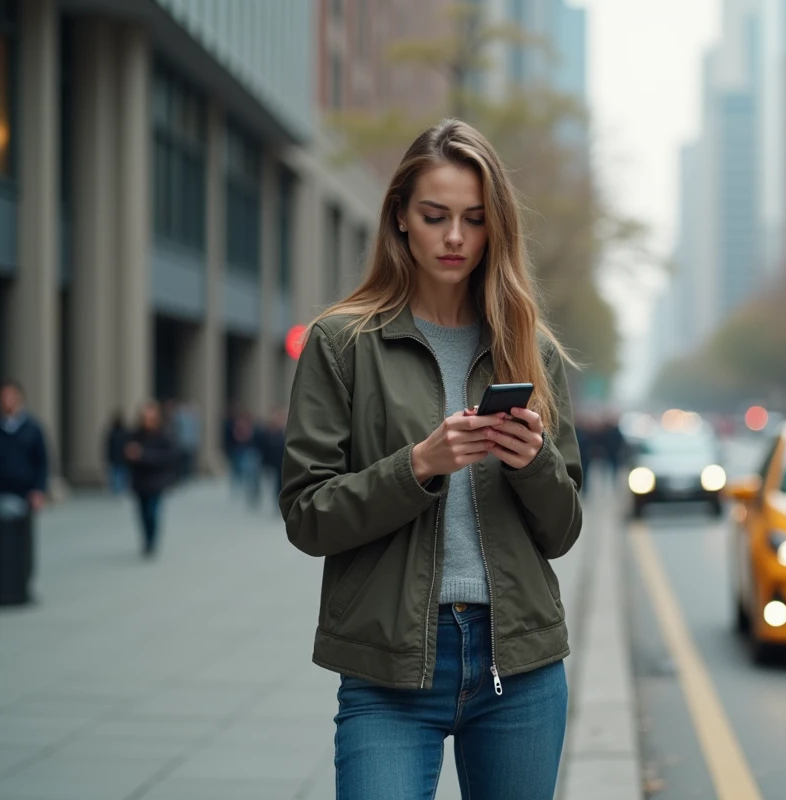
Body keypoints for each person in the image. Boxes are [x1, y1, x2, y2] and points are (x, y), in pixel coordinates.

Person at [279, 119, 584, 800]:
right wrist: (417, 466)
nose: (455, 237)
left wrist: (532, 462)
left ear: (495, 228)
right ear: (400, 219)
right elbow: (306, 515)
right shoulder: (341, 343)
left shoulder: (530, 349)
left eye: (475, 220)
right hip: (389, 671)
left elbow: (562, 532)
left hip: (521, 667)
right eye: (435, 215)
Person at [0, 380, 49, 513]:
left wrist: (39, 490)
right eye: (4, 396)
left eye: (12, 396)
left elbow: (42, 461)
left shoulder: (33, 428)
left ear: (20, 399)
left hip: (25, 494)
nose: (8, 400)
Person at [125, 400, 181, 559]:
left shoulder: (164, 435)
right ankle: (146, 540)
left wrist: (142, 455)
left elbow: (169, 457)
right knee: (142, 514)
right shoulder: (135, 435)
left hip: (157, 481)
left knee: (152, 512)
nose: (147, 420)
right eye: (145, 417)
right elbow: (125, 455)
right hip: (140, 482)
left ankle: (152, 541)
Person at [105, 412, 130, 494]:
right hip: (120, 458)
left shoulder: (114, 433)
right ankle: (119, 491)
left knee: (118, 475)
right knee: (119, 475)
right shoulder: (123, 433)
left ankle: (118, 491)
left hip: (118, 458)